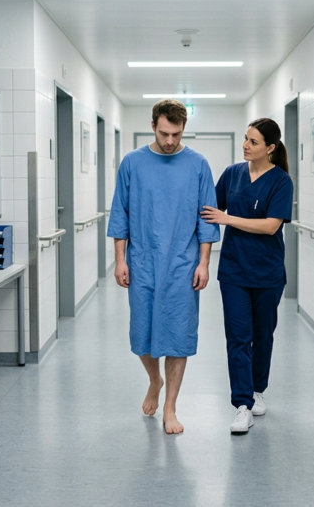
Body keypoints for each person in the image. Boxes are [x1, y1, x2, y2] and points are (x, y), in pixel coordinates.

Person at [108, 99, 220, 434]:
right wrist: (120, 260)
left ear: (183, 129)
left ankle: (170, 407)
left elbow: (206, 219)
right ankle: (154, 379)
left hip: (183, 265)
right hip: (142, 263)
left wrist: (204, 263)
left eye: (176, 134)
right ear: (153, 126)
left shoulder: (198, 165)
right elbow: (120, 213)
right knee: (141, 334)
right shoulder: (132, 163)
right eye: (163, 133)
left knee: (178, 335)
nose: (170, 141)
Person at [200, 118, 293, 433]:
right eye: (245, 139)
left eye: (253, 142)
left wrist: (228, 219)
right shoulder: (232, 174)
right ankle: (242, 405)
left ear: (270, 148)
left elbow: (270, 226)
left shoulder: (281, 181)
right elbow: (210, 210)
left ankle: (257, 390)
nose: (245, 146)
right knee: (238, 337)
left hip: (267, 272)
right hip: (234, 271)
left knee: (262, 335)